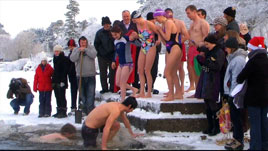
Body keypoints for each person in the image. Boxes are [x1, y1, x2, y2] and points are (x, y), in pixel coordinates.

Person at [237, 37, 268, 150]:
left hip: (254, 97)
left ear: (254, 48)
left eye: (250, 47)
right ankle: (265, 145)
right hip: (265, 97)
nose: (248, 49)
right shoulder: (266, 59)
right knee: (264, 122)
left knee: (255, 124)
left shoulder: (253, 61)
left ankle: (255, 146)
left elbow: (241, 77)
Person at [195, 34, 225, 136]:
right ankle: (210, 126)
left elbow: (217, 66)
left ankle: (216, 127)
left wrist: (205, 62)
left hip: (213, 80)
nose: (206, 46)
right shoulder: (210, 51)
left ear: (213, 43)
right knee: (207, 103)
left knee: (212, 103)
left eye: (207, 44)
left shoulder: (219, 52)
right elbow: (201, 49)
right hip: (206, 78)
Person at [223, 37, 247, 150]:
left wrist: (231, 94)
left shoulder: (237, 60)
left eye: (227, 47)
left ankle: (238, 140)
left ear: (231, 48)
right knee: (235, 118)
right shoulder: (233, 58)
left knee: (236, 118)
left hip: (235, 94)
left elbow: (236, 79)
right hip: (234, 92)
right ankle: (237, 139)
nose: (225, 49)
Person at [154, 9, 183, 101]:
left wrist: (159, 30)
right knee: (173, 72)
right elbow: (164, 41)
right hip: (169, 47)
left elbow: (167, 37)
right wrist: (159, 32)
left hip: (175, 47)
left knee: (167, 72)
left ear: (161, 16)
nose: (156, 19)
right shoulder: (163, 25)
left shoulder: (169, 23)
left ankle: (171, 95)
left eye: (156, 17)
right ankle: (178, 93)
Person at [131, 11, 158, 98]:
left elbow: (159, 31)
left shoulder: (148, 23)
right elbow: (142, 36)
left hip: (151, 46)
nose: (134, 23)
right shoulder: (137, 25)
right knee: (140, 70)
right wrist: (136, 36)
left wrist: (159, 41)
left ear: (138, 18)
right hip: (143, 46)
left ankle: (149, 92)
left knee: (147, 70)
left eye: (135, 21)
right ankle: (142, 91)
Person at [110, 26, 139, 102]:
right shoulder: (115, 41)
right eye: (113, 35)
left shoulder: (126, 39)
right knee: (118, 83)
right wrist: (113, 61)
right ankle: (134, 89)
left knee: (123, 83)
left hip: (128, 63)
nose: (114, 37)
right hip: (121, 63)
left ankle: (122, 101)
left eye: (115, 35)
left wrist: (135, 37)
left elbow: (138, 44)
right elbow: (116, 52)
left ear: (120, 33)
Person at [185, 5, 210, 92]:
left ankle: (200, 90)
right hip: (192, 48)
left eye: (189, 13)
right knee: (191, 68)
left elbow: (206, 37)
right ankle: (196, 89)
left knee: (198, 69)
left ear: (194, 12)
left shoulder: (203, 23)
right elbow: (188, 34)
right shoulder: (192, 23)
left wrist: (199, 44)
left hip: (198, 48)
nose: (188, 15)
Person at [165, 8, 190, 94]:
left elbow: (186, 35)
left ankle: (181, 86)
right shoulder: (164, 24)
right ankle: (171, 89)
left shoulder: (179, 23)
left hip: (178, 45)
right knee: (169, 68)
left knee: (179, 67)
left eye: (170, 14)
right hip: (169, 47)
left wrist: (178, 43)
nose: (169, 15)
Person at [70, 36, 97, 115]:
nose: (83, 44)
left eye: (85, 42)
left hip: (90, 75)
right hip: (80, 75)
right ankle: (84, 110)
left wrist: (85, 50)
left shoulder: (91, 48)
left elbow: (94, 55)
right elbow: (72, 59)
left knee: (90, 94)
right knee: (82, 94)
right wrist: (79, 51)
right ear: (79, 43)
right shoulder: (76, 49)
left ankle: (90, 111)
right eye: (82, 43)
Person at [94, 16, 115, 94]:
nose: (106, 25)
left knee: (112, 72)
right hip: (102, 56)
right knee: (103, 72)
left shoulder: (113, 31)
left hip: (112, 55)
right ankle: (104, 88)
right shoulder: (99, 33)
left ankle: (112, 87)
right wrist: (100, 52)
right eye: (105, 24)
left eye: (108, 24)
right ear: (103, 25)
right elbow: (96, 44)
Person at [146, 12, 162, 94]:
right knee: (149, 68)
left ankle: (150, 85)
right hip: (148, 49)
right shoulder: (148, 26)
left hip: (155, 49)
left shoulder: (156, 27)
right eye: (153, 19)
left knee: (153, 69)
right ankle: (148, 85)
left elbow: (160, 34)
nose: (155, 21)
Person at [52, 45, 69, 118]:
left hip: (62, 80)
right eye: (55, 51)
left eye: (57, 51)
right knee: (57, 96)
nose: (56, 52)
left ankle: (63, 111)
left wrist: (63, 81)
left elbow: (65, 71)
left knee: (62, 96)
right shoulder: (55, 59)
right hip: (56, 80)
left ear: (60, 51)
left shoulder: (64, 59)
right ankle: (59, 110)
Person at [66, 39, 78, 116]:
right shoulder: (70, 54)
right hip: (72, 75)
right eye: (70, 47)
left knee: (79, 91)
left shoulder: (76, 53)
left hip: (77, 74)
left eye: (72, 46)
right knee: (73, 91)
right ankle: (73, 106)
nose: (71, 48)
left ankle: (78, 106)